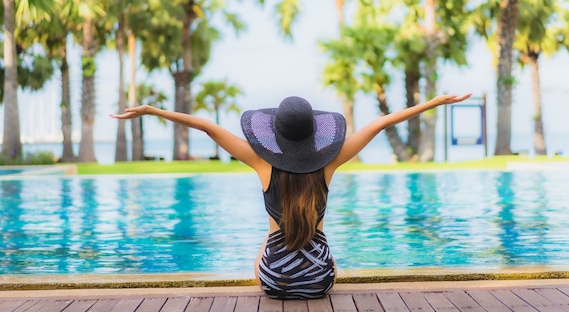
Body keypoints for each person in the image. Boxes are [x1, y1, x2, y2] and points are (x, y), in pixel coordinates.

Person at [111, 93, 471, 299]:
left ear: (275, 134)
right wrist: (435, 102)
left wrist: (151, 110)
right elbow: (379, 124)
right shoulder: (329, 165)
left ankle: (279, 262)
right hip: (320, 284)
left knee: (267, 241)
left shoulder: (260, 164)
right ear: (314, 135)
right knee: (314, 244)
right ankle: (309, 264)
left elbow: (207, 126)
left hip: (273, 282)